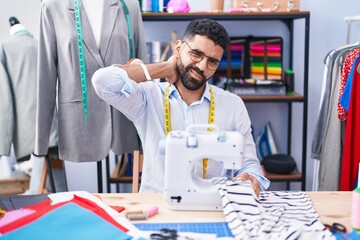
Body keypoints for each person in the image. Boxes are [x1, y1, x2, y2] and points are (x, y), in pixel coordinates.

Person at [92, 18, 270, 196]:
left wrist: (250, 176)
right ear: (178, 48)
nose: (202, 66)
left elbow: (250, 164)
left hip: (210, 203)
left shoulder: (233, 105)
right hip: (157, 202)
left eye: (212, 62)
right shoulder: (148, 96)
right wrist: (165, 67)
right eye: (196, 54)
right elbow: (102, 82)